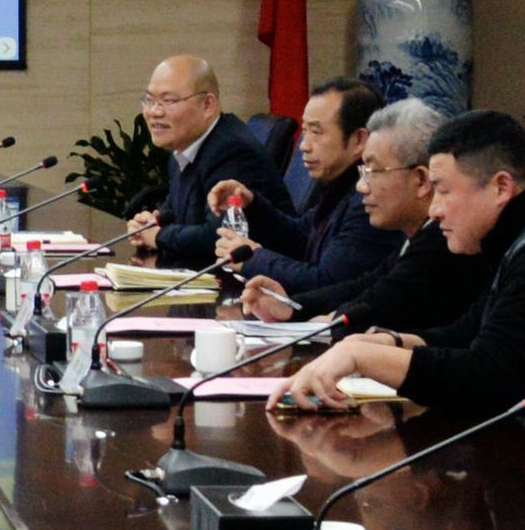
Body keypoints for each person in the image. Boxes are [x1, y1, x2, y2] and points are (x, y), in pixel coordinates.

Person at [277, 109, 525, 479]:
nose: (434, 210)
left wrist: (362, 356)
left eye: (443, 191)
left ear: (501, 187)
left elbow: (485, 379)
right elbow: (468, 332)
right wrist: (389, 342)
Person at [241, 100, 488, 334]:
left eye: (373, 171)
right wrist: (292, 306)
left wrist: (325, 317)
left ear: (421, 180)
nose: (361, 186)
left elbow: (379, 302)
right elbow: (365, 285)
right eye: (363, 171)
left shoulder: (443, 240)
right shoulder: (418, 233)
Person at [208, 79, 393, 302]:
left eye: (316, 132)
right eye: (305, 132)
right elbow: (301, 239)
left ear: (358, 140)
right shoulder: (341, 185)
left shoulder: (371, 200)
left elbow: (325, 283)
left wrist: (253, 258)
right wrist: (252, 205)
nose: (304, 145)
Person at [126, 54, 291, 268]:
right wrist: (151, 222)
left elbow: (219, 235)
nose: (154, 112)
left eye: (168, 101)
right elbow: (177, 211)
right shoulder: (184, 146)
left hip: (254, 282)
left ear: (208, 105)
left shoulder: (231, 151)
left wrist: (159, 236)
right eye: (149, 100)